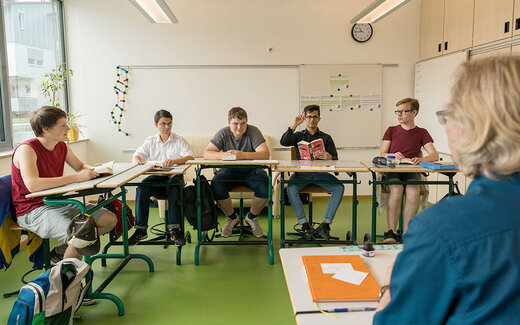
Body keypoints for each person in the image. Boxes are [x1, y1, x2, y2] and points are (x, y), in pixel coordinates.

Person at [374, 56, 520, 324]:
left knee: (411, 192)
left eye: (448, 115)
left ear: (472, 126)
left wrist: (388, 288)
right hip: (396, 172)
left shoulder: (441, 228)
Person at [11, 106, 117, 261]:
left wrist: (94, 169)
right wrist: (76, 178)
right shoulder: (26, 149)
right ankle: (67, 283)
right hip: (32, 210)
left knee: (110, 220)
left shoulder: (62, 146)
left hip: (56, 202)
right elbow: (32, 185)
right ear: (45, 129)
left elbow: (80, 167)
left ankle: (63, 251)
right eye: (62, 125)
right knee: (81, 237)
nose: (68, 128)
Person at [129, 109, 194, 246]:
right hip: (156, 179)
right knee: (142, 187)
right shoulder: (151, 141)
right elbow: (137, 155)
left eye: (170, 124)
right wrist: (136, 161)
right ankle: (140, 230)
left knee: (173, 187)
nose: (167, 127)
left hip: (173, 178)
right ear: (156, 125)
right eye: (163, 124)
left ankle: (175, 231)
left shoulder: (178, 140)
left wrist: (175, 160)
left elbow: (190, 156)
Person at [280, 105, 344, 240]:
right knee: (290, 188)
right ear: (305, 118)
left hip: (321, 174)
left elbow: (336, 160)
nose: (312, 120)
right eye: (309, 117)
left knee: (339, 187)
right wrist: (294, 124)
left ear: (319, 118)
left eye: (315, 117)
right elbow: (283, 142)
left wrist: (329, 156)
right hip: (301, 175)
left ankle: (326, 224)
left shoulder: (326, 138)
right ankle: (305, 225)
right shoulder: (297, 136)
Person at [203, 106, 269, 238]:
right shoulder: (223, 133)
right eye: (235, 124)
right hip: (229, 170)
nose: (239, 127)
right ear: (229, 123)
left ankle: (251, 217)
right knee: (216, 184)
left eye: (243, 123)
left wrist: (242, 155)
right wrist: (225, 155)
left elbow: (265, 154)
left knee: (265, 186)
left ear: (247, 122)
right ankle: (232, 218)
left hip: (252, 170)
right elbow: (206, 153)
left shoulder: (254, 131)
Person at [380, 97, 439, 243]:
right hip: (393, 170)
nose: (399, 115)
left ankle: (407, 232)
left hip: (411, 169)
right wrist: (393, 155)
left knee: (413, 191)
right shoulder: (391, 130)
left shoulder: (422, 132)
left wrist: (422, 159)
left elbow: (435, 155)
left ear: (414, 113)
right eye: (397, 112)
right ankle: (391, 232)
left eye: (403, 111)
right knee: (397, 189)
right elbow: (382, 154)